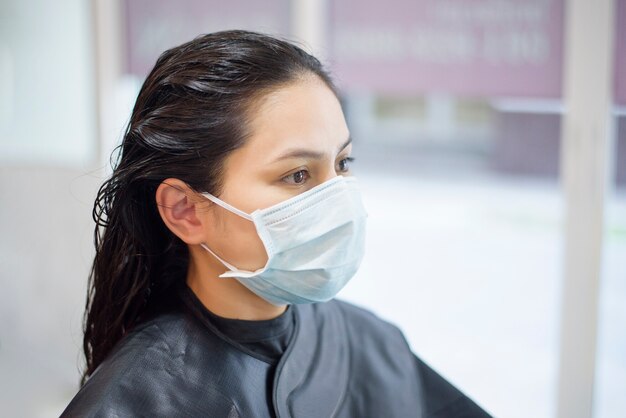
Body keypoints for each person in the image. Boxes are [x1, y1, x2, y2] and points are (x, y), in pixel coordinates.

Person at [61, 29, 491, 418]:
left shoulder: (372, 342)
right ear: (185, 211)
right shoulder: (134, 401)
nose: (337, 197)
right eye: (297, 175)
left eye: (343, 163)